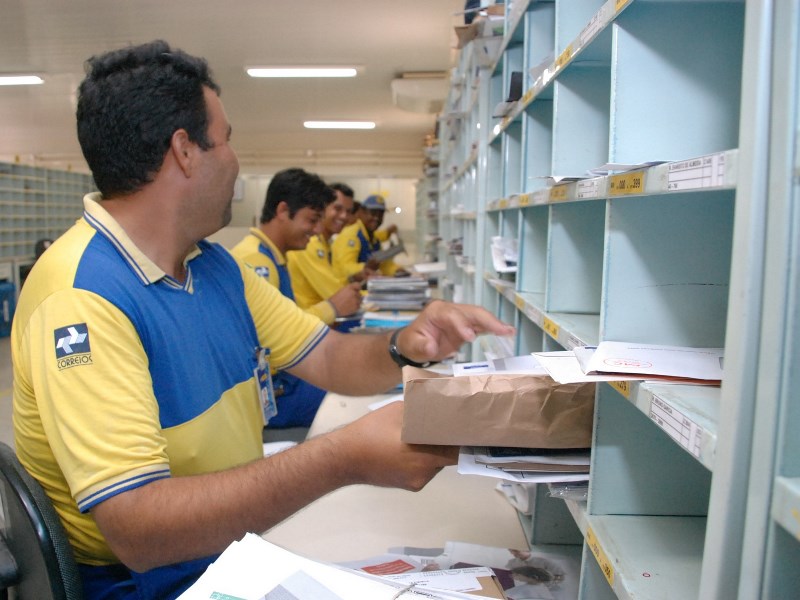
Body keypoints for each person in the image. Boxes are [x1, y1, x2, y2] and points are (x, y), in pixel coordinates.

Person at [10, 40, 514, 599]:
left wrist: (407, 343)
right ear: (185, 150)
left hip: (225, 548)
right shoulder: (82, 298)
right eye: (226, 141)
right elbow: (139, 530)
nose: (234, 162)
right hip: (149, 582)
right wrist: (342, 458)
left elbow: (328, 355)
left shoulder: (212, 265)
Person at [230, 168, 361, 428]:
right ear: (282, 211)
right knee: (352, 401)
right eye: (311, 220)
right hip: (275, 394)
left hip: (285, 381)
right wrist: (332, 308)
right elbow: (273, 336)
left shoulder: (274, 256)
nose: (316, 230)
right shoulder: (257, 262)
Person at [286, 182, 367, 315]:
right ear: (323, 208)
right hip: (311, 322)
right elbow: (335, 294)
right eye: (337, 209)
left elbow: (335, 279)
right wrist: (376, 293)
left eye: (348, 211)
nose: (344, 216)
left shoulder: (325, 243)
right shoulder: (310, 244)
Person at [332, 193, 405, 279]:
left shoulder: (374, 238)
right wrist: (366, 267)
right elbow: (345, 267)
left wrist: (397, 270)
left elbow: (384, 264)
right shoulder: (352, 235)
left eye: (380, 215)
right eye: (373, 213)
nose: (376, 218)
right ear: (361, 213)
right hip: (344, 288)